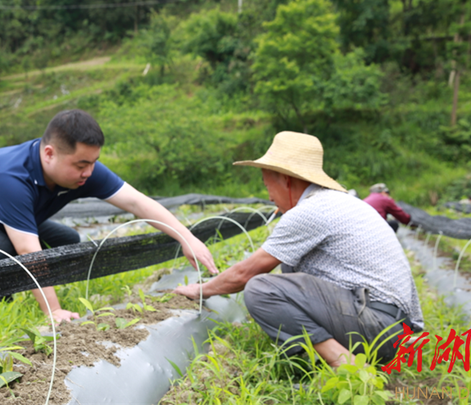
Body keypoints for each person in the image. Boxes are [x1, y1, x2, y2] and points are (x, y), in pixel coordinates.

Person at [0, 109, 217, 326]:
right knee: (1, 248)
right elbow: (27, 250)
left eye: (93, 163)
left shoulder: (83, 171)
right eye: (80, 165)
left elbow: (137, 202)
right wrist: (53, 310)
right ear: (49, 154)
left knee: (67, 240)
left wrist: (187, 237)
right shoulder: (9, 178)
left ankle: (2, 297)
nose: (88, 173)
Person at [174, 131, 423, 368]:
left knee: (261, 289)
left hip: (378, 327)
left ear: (286, 180)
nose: (270, 197)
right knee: (290, 269)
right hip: (395, 329)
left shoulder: (311, 211)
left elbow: (244, 275)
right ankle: (333, 354)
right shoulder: (338, 202)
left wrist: (200, 289)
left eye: (267, 185)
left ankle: (344, 363)